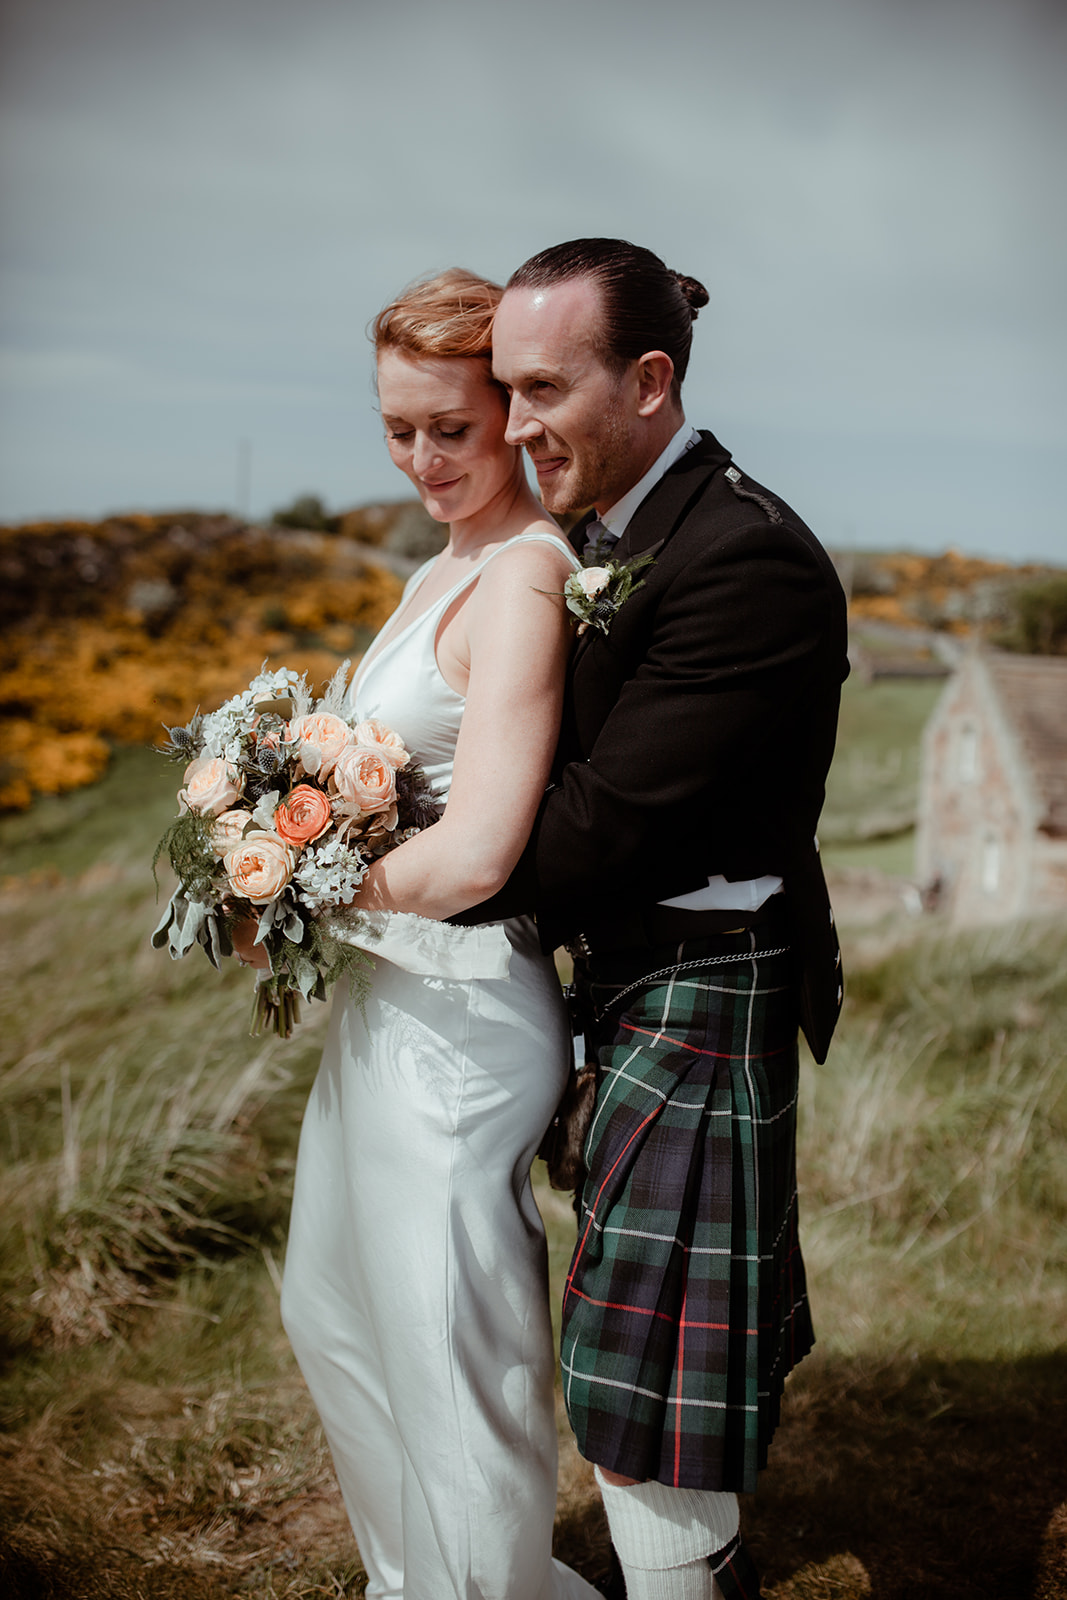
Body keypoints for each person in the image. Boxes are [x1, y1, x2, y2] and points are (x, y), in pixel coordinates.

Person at [457, 239, 850, 1600]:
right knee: (635, 1359)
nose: (516, 426)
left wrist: (363, 857)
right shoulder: (596, 537)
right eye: (505, 391)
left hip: (701, 985)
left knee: (644, 1390)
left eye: (543, 390)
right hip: (629, 977)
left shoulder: (747, 560)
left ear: (648, 381)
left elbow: (595, 826)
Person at [271, 269, 604, 1600]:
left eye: (449, 428)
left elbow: (478, 853)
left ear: (513, 413)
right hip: (383, 998)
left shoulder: (526, 578)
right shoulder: (436, 566)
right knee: (331, 1312)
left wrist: (299, 890)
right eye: (396, 429)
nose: (421, 457)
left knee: (449, 1353)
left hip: (462, 1018)